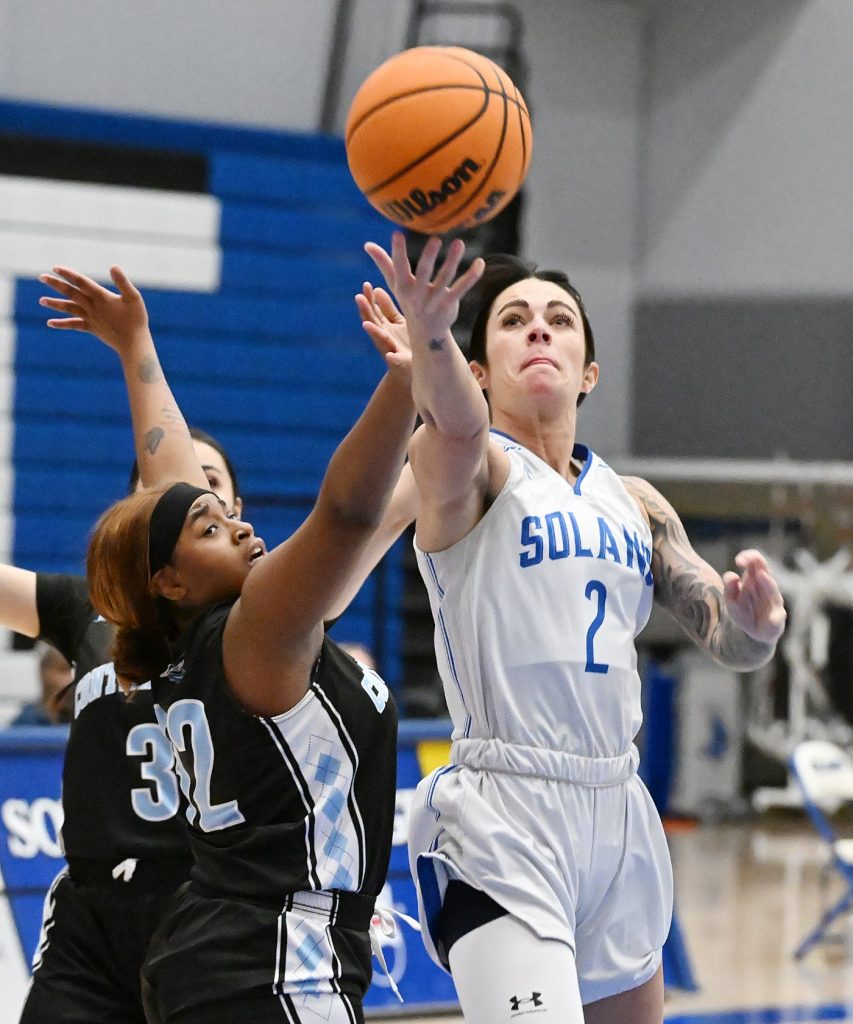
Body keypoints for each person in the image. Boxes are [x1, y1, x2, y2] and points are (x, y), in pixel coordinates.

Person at [364, 233, 787, 1024]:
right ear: (479, 370)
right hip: (506, 815)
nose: (538, 329)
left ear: (588, 370)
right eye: (513, 319)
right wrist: (430, 337)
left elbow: (725, 639)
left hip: (617, 809)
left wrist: (756, 628)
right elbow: (452, 426)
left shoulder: (634, 502)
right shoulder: (475, 468)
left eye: (559, 320)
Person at [43, 253, 430, 1022]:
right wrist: (402, 382)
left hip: (218, 950)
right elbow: (347, 513)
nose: (239, 520)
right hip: (278, 959)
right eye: (212, 528)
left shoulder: (194, 635)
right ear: (170, 582)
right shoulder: (253, 631)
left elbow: (169, 483)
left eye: (226, 509)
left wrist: (137, 349)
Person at [9, 642, 74, 725]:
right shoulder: (25, 722)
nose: (72, 678)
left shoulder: (89, 721)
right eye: (64, 670)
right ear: (43, 672)